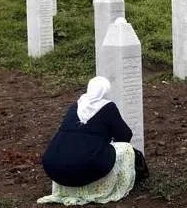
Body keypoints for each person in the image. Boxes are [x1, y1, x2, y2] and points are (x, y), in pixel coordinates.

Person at [39, 76, 148, 205]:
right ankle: (102, 188)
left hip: (54, 167)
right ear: (106, 91)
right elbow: (125, 136)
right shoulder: (108, 107)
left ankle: (68, 189)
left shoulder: (75, 107)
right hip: (87, 167)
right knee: (125, 149)